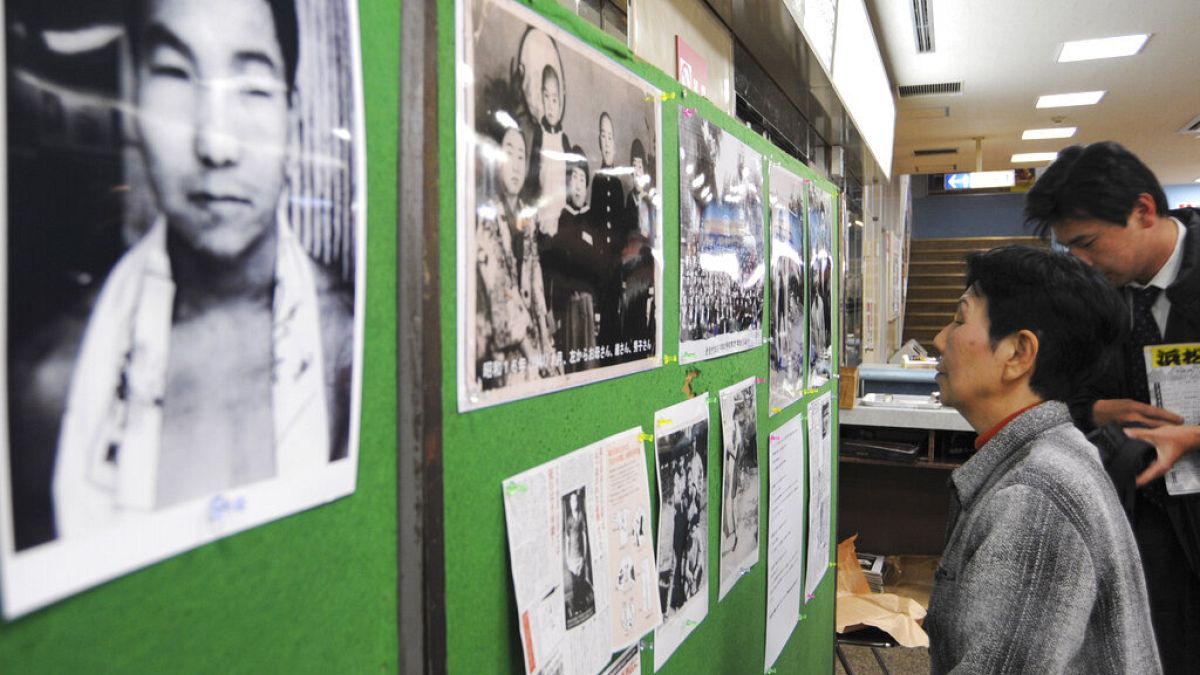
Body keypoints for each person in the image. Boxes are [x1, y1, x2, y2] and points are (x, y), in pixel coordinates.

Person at [8, 0, 354, 550]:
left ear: (294, 113)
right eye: (174, 74)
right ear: (133, 99)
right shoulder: (50, 387)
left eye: (253, 87)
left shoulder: (348, 349)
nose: (216, 144)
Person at [925, 246, 1160, 674]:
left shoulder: (1036, 499)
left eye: (960, 319)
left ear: (1018, 353)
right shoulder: (1055, 451)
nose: (940, 339)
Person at [1024, 141, 1200, 674]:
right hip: (1139, 521)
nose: (1080, 262)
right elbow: (1064, 395)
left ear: (1144, 211)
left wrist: (1192, 437)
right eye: (1067, 249)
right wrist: (1098, 410)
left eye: (1087, 242)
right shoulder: (1100, 296)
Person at [474, 117, 558, 389]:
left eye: (521, 156)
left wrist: (548, 348)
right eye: (508, 152)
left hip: (534, 355)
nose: (516, 164)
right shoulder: (485, 217)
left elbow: (537, 292)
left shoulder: (527, 219)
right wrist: (534, 354)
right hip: (504, 358)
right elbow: (498, 292)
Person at [540, 147, 602, 372]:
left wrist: (597, 310)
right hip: (567, 309)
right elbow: (553, 272)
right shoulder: (561, 220)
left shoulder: (591, 222)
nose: (577, 183)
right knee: (570, 366)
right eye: (573, 177)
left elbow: (598, 271)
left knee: (588, 366)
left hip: (587, 307)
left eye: (582, 178)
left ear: (586, 186)